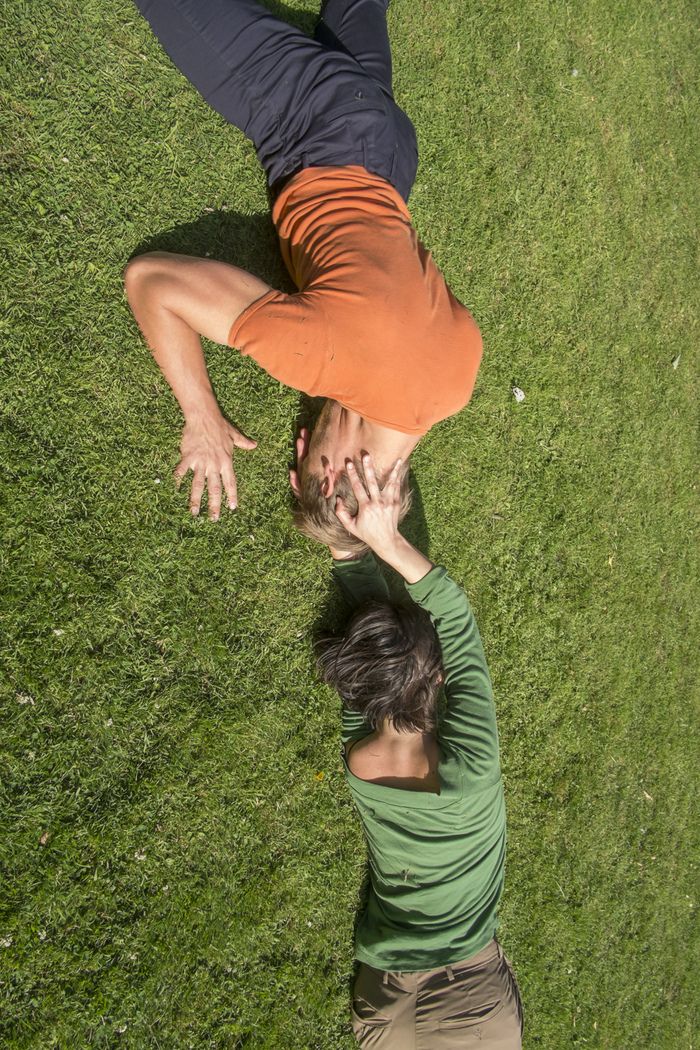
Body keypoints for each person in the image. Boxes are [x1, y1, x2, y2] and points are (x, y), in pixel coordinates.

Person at [124, 0, 482, 548]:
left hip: (390, 156)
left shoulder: (458, 383)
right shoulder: (319, 356)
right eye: (305, 465)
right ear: (334, 473)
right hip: (314, 123)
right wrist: (201, 417)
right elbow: (151, 282)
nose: (301, 441)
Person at [316, 453, 523, 1047]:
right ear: (436, 684)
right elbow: (454, 620)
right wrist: (358, 539)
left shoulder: (364, 752)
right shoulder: (463, 769)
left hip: (435, 979)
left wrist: (353, 544)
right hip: (419, 987)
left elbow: (438, 633)